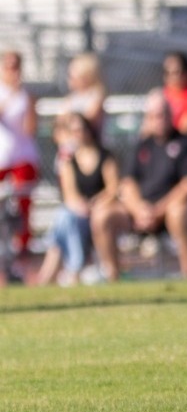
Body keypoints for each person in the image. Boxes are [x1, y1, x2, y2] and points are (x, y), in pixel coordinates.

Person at [93, 90, 187, 281]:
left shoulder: (186, 144)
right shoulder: (141, 146)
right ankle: (112, 277)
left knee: (180, 212)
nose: (158, 120)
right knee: (103, 215)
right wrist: (139, 210)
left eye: (162, 114)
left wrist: (158, 210)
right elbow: (127, 183)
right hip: (141, 212)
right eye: (153, 116)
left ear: (171, 115)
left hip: (169, 211)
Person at [38, 111, 118, 286]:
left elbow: (112, 188)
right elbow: (70, 194)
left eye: (81, 129)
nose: (79, 134)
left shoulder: (104, 156)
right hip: (78, 212)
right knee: (66, 217)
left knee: (63, 220)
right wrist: (81, 206)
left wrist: (95, 204)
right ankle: (74, 267)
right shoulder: (68, 159)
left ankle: (64, 271)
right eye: (74, 131)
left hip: (100, 209)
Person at [0, 50, 39, 265]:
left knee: (23, 204)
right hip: (2, 156)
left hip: (23, 155)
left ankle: (23, 247)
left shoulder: (27, 95)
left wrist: (23, 98)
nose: (12, 71)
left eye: (15, 66)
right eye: (7, 66)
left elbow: (30, 129)